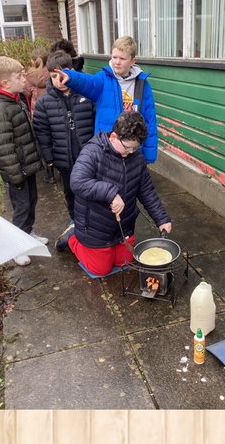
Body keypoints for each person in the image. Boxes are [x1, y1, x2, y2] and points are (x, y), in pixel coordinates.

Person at [60, 111, 172, 276]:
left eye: (135, 148)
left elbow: (147, 190)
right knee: (100, 269)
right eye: (127, 147)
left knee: (125, 262)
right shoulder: (92, 152)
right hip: (95, 226)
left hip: (123, 226)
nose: (131, 152)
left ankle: (108, 247)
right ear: (113, 136)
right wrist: (111, 193)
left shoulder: (136, 158)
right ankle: (72, 238)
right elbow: (77, 181)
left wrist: (161, 219)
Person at [0, 55, 47, 263]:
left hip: (26, 166)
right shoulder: (0, 110)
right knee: (21, 207)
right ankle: (16, 248)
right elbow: (3, 147)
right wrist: (14, 175)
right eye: (19, 76)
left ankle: (27, 234)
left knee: (31, 201)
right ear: (6, 83)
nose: (24, 79)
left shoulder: (14, 99)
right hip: (16, 171)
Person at [55, 35, 158, 163]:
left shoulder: (142, 85)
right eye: (114, 57)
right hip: (108, 147)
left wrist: (149, 154)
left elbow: (149, 121)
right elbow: (89, 83)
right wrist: (71, 77)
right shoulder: (103, 79)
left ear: (133, 61)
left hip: (132, 149)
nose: (117, 62)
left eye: (122, 58)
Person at [32, 50, 95, 226]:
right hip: (64, 158)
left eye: (63, 76)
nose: (59, 81)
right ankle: (75, 218)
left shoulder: (87, 95)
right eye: (54, 77)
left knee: (91, 187)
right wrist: (48, 156)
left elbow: (96, 121)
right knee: (70, 190)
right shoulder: (45, 102)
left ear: (72, 71)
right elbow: (41, 130)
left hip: (88, 155)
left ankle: (92, 217)